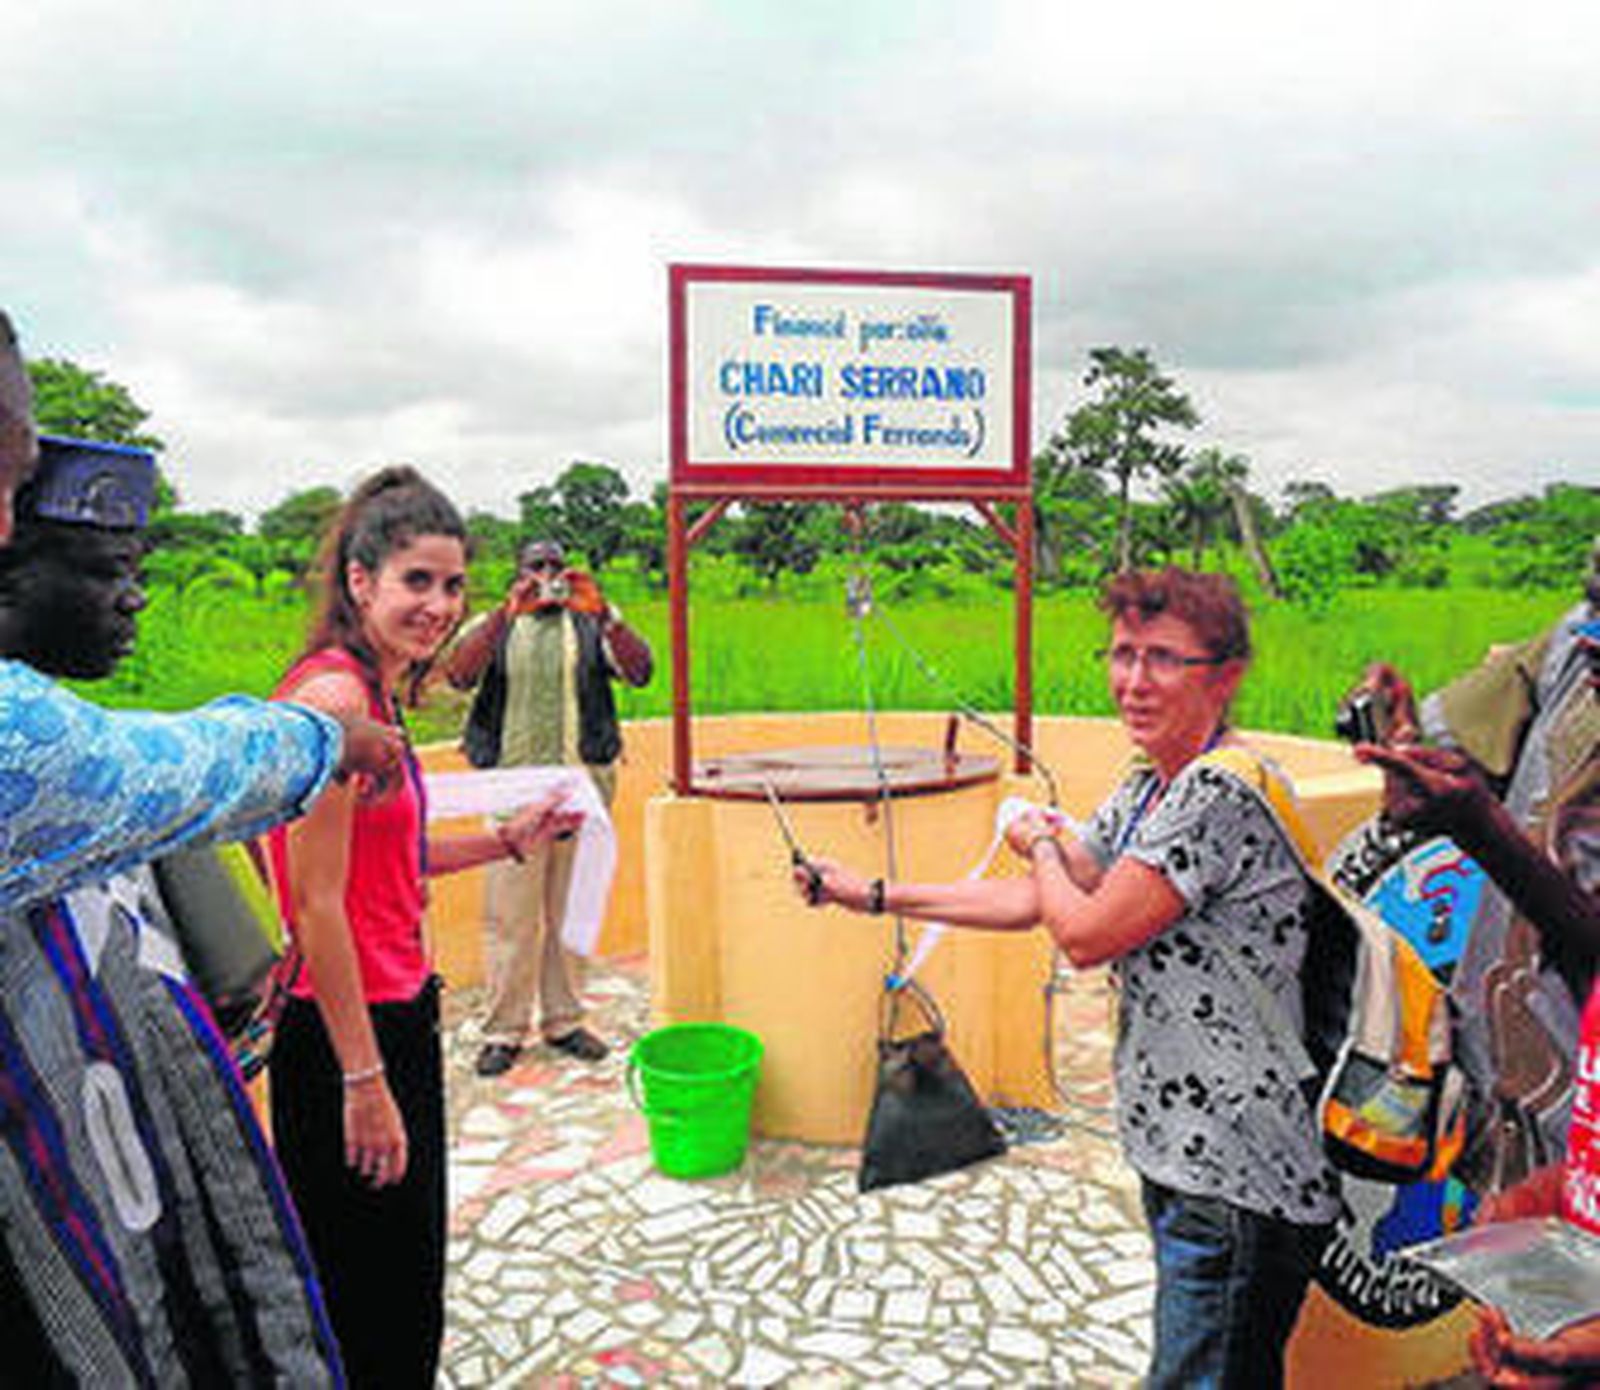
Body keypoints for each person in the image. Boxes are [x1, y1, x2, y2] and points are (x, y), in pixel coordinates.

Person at [797, 567, 1338, 1389]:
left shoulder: (1215, 793)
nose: (1134, 681)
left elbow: (1082, 933)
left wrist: (1041, 840)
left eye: (1164, 658)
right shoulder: (1150, 785)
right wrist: (870, 894)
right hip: (1183, 1152)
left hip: (1237, 1166)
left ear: (1225, 676)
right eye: (1122, 654)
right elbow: (1037, 901)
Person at [0, 310, 397, 1384]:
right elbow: (188, 790)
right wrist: (328, 739)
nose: (134, 595)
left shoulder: (88, 752)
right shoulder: (68, 761)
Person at [266, 469, 583, 1388]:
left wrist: (505, 841)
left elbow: (388, 861)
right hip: (346, 1034)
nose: (439, 606)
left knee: (398, 1285)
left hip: (390, 1014)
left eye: (453, 586)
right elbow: (315, 902)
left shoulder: (376, 691)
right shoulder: (335, 702)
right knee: (374, 1299)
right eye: (417, 581)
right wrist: (365, 1082)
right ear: (360, 580)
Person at [1356, 552, 1598, 1193]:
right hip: (1508, 1086)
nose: (1590, 645)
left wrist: (1480, 829)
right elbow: (1469, 737)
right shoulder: (1575, 647)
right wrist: (1406, 740)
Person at [445, 535, 651, 1076]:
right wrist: (504, 613)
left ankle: (564, 1021)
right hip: (511, 797)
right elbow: (459, 675)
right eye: (535, 566)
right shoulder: (497, 625)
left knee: (571, 913)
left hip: (581, 791)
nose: (546, 576)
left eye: (555, 566)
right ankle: (504, 1031)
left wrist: (605, 613)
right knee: (508, 920)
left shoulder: (591, 623)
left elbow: (641, 672)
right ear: (518, 573)